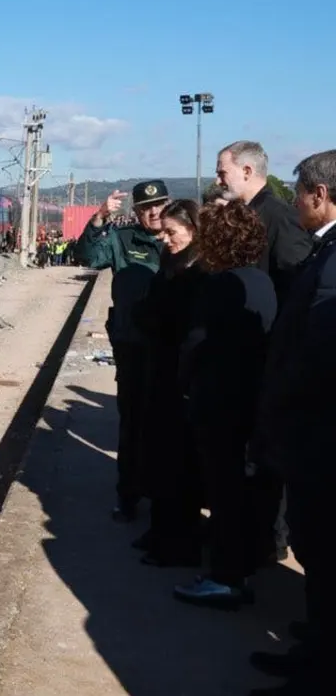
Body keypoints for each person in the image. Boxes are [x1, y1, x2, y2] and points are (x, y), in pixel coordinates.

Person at [248, 149, 336, 696]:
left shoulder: (333, 260)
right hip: (312, 430)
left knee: (324, 549)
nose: (295, 200)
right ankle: (313, 648)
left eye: (299, 191)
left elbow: (318, 357)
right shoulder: (326, 250)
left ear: (320, 195)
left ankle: (319, 672)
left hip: (319, 434)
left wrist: (280, 407)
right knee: (317, 552)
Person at [171, 199, 277, 608]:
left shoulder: (218, 286)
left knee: (224, 493)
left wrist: (183, 386)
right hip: (251, 402)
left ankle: (225, 578)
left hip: (219, 404)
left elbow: (196, 345)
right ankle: (243, 565)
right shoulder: (261, 281)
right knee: (245, 491)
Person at [75, 180, 167, 523]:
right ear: (136, 212)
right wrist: (98, 218)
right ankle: (128, 495)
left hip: (170, 349)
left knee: (167, 427)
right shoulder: (123, 240)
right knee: (132, 424)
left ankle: (164, 497)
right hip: (133, 346)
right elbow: (87, 257)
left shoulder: (184, 238)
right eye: (146, 208)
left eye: (159, 205)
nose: (154, 212)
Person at [131, 199, 205, 566]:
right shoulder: (173, 264)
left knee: (178, 464)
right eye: (162, 232)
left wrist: (149, 317)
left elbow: (181, 323)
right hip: (161, 370)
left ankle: (177, 541)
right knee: (158, 456)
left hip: (180, 378)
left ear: (192, 230)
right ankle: (159, 530)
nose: (164, 238)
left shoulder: (198, 270)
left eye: (171, 232)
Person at [214, 141, 313, 303]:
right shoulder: (239, 214)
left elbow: (295, 284)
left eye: (222, 173)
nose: (217, 182)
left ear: (247, 171)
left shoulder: (281, 217)